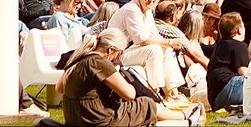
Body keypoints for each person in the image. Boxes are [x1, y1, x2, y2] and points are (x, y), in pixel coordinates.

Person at [56, 28, 196, 127]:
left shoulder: (78, 58)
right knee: (145, 103)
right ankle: (186, 118)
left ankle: (183, 117)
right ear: (111, 50)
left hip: (74, 117)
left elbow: (59, 88)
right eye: (119, 53)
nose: (119, 57)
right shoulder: (99, 62)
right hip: (96, 119)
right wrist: (117, 72)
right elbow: (129, 94)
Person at [207, 13, 249, 110]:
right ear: (238, 30)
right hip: (229, 87)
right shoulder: (239, 45)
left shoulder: (220, 45)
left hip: (215, 98)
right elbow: (243, 72)